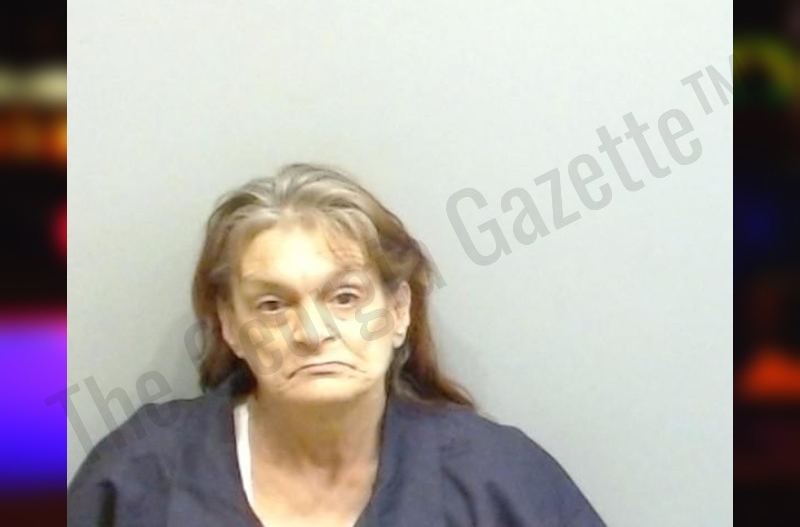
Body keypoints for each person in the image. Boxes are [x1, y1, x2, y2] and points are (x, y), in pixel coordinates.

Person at [67, 163, 606, 526]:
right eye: (273, 305)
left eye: (345, 297)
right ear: (230, 326)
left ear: (399, 311)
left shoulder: (495, 478)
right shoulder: (141, 476)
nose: (312, 332)